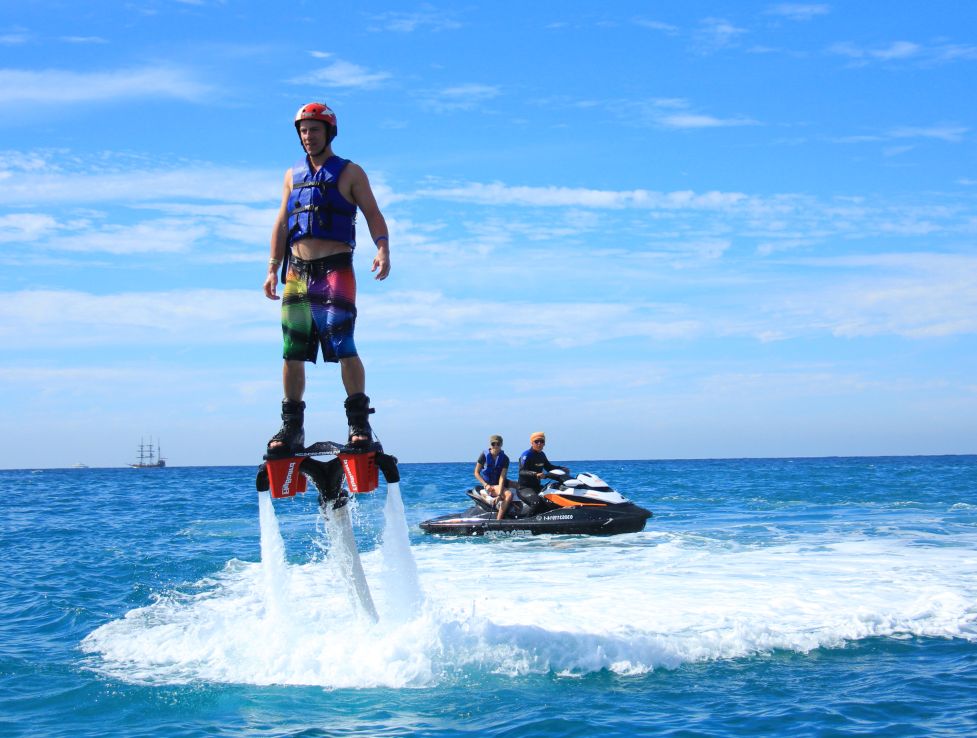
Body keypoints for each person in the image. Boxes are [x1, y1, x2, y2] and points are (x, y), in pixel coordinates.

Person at [263, 102, 390, 455]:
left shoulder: (350, 172)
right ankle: (292, 427)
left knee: (343, 344)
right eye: (303, 130)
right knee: (292, 351)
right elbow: (282, 223)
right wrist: (272, 267)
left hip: (335, 268)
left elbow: (373, 214)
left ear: (328, 132)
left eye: (314, 129)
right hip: (296, 272)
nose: (308, 136)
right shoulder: (291, 175)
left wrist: (382, 248)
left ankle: (359, 423)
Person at [517, 432, 564, 513]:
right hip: (524, 488)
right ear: (532, 443)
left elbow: (549, 467)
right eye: (536, 441)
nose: (539, 444)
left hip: (537, 487)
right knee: (536, 502)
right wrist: (535, 474)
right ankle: (527, 522)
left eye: (541, 441)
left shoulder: (542, 455)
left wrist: (562, 469)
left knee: (552, 499)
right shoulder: (526, 455)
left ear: (544, 443)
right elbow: (522, 471)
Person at [474, 434, 514, 520]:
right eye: (493, 444)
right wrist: (485, 485)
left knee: (520, 486)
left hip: (499, 481)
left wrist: (500, 492)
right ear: (490, 445)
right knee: (509, 494)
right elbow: (476, 473)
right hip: (490, 484)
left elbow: (502, 477)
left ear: (501, 444)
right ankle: (498, 520)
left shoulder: (505, 458)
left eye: (498, 444)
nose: (495, 446)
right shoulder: (484, 456)